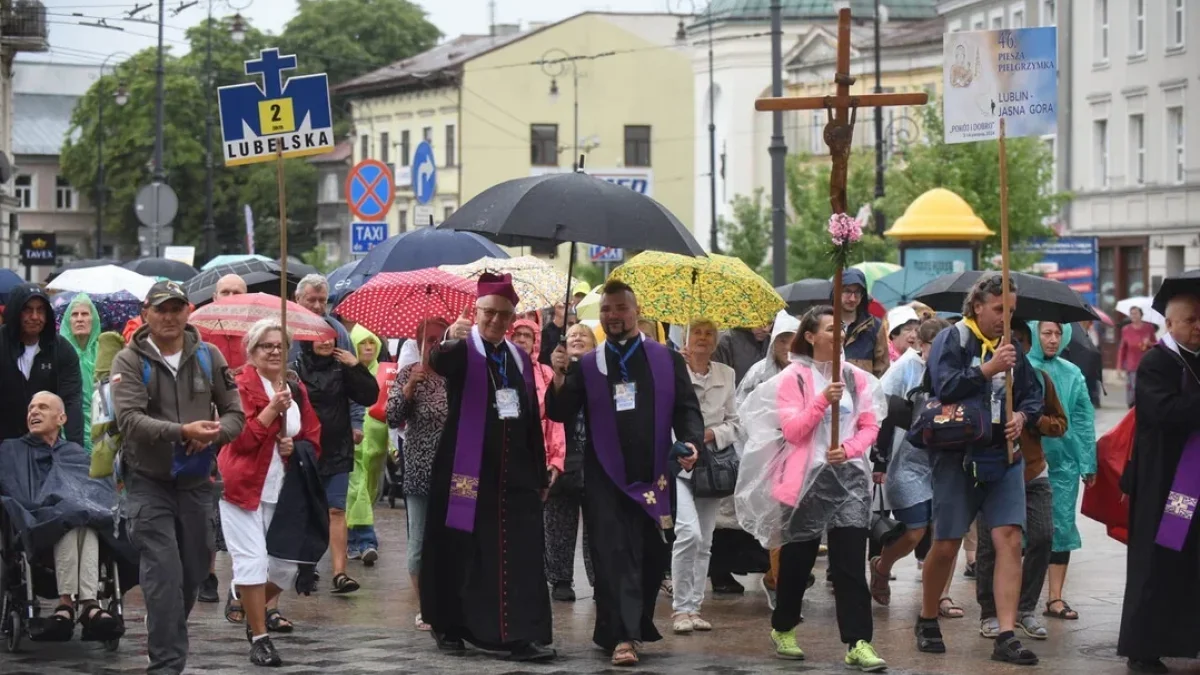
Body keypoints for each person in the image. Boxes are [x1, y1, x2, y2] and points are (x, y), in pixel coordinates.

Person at [547, 280, 705, 667]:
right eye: (606, 310)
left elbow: (687, 408)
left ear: (636, 312)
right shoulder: (588, 364)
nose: (613, 316)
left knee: (650, 555)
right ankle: (623, 637)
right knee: (612, 553)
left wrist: (691, 442)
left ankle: (623, 626)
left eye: (620, 308)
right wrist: (559, 377)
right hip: (605, 476)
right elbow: (561, 413)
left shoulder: (666, 359)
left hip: (655, 474)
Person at [735, 305, 886, 670]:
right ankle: (784, 625)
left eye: (841, 329)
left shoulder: (856, 379)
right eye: (830, 329)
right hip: (806, 480)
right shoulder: (794, 379)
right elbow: (793, 431)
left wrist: (847, 449)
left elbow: (870, 424)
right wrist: (822, 401)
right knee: (797, 564)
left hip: (848, 479)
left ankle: (858, 641)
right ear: (811, 336)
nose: (838, 335)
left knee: (850, 564)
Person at [110, 280, 245, 675]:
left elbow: (235, 414)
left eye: (176, 308)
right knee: (164, 572)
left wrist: (214, 436)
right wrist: (182, 432)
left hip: (197, 484)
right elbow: (129, 420)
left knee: (191, 574)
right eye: (160, 309)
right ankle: (167, 664)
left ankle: (166, 628)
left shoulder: (209, 355)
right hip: (147, 482)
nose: (169, 317)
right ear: (146, 313)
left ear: (188, 310)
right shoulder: (129, 360)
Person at [420, 273, 556, 662]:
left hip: (512, 475)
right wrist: (452, 336)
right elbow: (438, 362)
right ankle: (448, 625)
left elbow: (530, 415)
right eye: (489, 313)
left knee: (518, 553)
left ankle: (519, 634)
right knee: (459, 548)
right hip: (465, 472)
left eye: (503, 315)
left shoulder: (517, 356)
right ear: (476, 312)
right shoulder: (463, 349)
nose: (496, 321)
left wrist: (540, 468)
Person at [915, 274, 1043, 666]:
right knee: (948, 542)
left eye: (1012, 311)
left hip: (1003, 456)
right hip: (956, 457)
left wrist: (1022, 415)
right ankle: (927, 617)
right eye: (1000, 309)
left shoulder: (1012, 349)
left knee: (1010, 539)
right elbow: (945, 386)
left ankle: (1005, 633)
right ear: (977, 307)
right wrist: (988, 370)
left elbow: (1034, 394)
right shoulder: (952, 339)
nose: (1006, 318)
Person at [219, 319, 322, 666]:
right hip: (241, 486)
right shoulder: (239, 384)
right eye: (267, 346)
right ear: (252, 351)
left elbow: (313, 435)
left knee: (284, 567)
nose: (275, 351)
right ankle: (260, 637)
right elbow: (241, 440)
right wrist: (270, 410)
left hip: (283, 489)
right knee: (252, 561)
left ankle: (249, 602)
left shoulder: (295, 386)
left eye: (280, 345)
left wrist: (299, 447)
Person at [0, 392, 124, 642]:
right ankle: (86, 605)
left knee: (83, 518)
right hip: (36, 527)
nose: (33, 412)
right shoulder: (11, 451)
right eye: (31, 408)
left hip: (78, 522)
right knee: (73, 516)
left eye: (43, 408)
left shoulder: (76, 453)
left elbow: (98, 492)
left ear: (62, 418)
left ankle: (72, 605)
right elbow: (13, 493)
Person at [1119, 293, 1200, 674]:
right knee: (1160, 560)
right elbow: (1163, 412)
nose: (1198, 326)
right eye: (1191, 319)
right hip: (1170, 485)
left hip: (1194, 479)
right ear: (1170, 324)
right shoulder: (1156, 362)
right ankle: (1144, 646)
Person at [869, 317, 966, 620]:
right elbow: (879, 408)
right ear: (918, 345)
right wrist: (880, 458)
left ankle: (941, 595)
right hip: (908, 460)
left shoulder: (958, 369)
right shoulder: (904, 369)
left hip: (947, 460)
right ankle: (881, 567)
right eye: (931, 347)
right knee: (914, 533)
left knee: (946, 533)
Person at [973, 321, 1065, 641]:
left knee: (1041, 536)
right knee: (991, 545)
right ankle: (989, 612)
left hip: (1033, 470)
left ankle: (1026, 608)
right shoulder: (986, 375)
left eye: (1021, 343)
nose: (1015, 348)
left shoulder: (1039, 380)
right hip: (995, 471)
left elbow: (1060, 421)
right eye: (1010, 342)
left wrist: (1033, 419)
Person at [291, 325, 379, 595]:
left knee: (337, 510)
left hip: (338, 448)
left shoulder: (343, 368)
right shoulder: (295, 368)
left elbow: (368, 396)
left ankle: (340, 573)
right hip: (306, 449)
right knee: (306, 511)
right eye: (319, 337)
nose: (326, 342)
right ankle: (307, 566)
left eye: (330, 337)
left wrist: (356, 368)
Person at [670, 318, 741, 633]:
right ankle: (679, 610)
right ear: (686, 338)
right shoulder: (673, 371)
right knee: (689, 533)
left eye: (708, 333)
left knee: (706, 541)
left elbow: (736, 423)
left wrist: (711, 434)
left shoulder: (726, 375)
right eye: (696, 332)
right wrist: (681, 442)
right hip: (679, 462)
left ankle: (694, 607)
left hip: (711, 465)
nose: (702, 338)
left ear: (716, 341)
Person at [1025, 320, 1096, 623]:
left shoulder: (1072, 373)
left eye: (1057, 333)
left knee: (1061, 528)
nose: (1052, 340)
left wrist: (1088, 462)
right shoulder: (1021, 366)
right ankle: (1019, 595)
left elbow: (1082, 419)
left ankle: (1055, 597)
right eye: (1046, 333)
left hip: (1064, 463)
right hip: (1026, 461)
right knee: (1024, 531)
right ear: (1034, 334)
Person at [387, 317, 451, 631]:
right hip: (420, 469)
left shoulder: (458, 376)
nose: (435, 345)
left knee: (455, 539)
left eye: (441, 339)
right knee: (419, 544)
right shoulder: (408, 374)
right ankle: (425, 605)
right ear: (418, 342)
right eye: (429, 340)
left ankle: (453, 603)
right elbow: (391, 416)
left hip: (457, 473)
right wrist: (411, 386)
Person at [734, 309, 799, 608]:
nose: (787, 347)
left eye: (792, 340)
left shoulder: (808, 372)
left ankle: (778, 579)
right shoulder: (759, 373)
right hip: (769, 459)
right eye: (782, 340)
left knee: (798, 523)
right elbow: (742, 412)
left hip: (800, 458)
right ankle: (781, 584)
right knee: (777, 523)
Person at [541, 322, 596, 603]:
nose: (576, 337)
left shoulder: (600, 371)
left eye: (583, 335)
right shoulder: (556, 371)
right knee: (559, 519)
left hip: (595, 458)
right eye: (572, 334)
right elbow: (553, 411)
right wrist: (559, 376)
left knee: (597, 523)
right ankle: (561, 578)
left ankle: (600, 579)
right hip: (565, 456)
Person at [0, 283, 84, 445]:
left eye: (40, 310)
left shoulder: (62, 350)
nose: (35, 317)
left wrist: (76, 453)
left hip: (45, 445)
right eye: (28, 310)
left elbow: (72, 403)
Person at [345, 324, 389, 564]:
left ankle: (352, 540)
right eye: (363, 343)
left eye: (372, 342)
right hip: (353, 445)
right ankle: (366, 541)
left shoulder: (385, 373)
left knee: (367, 492)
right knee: (356, 491)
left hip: (377, 446)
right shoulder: (347, 374)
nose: (369, 347)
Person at [511, 318, 566, 483]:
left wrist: (556, 459)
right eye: (517, 334)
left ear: (535, 341)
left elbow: (554, 421)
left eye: (527, 335)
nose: (521, 339)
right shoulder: (499, 366)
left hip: (536, 453)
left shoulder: (545, 373)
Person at [59, 294, 101, 454]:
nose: (79, 319)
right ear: (68, 321)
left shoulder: (104, 352)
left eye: (85, 314)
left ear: (94, 319)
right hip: (67, 428)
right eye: (74, 315)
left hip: (101, 429)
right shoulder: (59, 352)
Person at [838, 269, 890, 378]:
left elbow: (882, 369)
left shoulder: (874, 326)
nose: (852, 298)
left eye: (857, 292)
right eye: (847, 291)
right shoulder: (825, 323)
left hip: (863, 392)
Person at [1118, 306, 1158, 409]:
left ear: (1141, 315)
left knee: (1145, 386)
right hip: (1132, 363)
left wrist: (1149, 343)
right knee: (1133, 387)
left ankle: (1144, 406)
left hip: (1147, 363)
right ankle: (1132, 407)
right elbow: (1122, 348)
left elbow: (1156, 345)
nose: (1134, 315)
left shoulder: (1149, 328)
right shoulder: (1126, 329)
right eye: (1132, 313)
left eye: (1136, 313)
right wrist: (1119, 366)